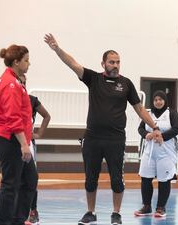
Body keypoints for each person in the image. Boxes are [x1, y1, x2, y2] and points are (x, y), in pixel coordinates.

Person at [44, 33, 162, 225]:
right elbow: (73, 64)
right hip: (92, 138)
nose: (115, 65)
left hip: (115, 139)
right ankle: (90, 212)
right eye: (111, 62)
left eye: (118, 62)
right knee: (91, 179)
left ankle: (116, 213)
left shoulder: (126, 84)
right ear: (103, 64)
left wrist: (155, 126)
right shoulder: (93, 79)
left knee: (117, 179)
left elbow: (139, 108)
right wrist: (57, 49)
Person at [0, 44, 38, 225]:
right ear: (16, 62)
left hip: (14, 138)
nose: (29, 63)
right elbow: (12, 117)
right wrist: (24, 144)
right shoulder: (10, 84)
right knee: (10, 184)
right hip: (9, 138)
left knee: (29, 179)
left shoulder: (15, 80)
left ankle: (17, 220)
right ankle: (2, 222)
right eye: (26, 60)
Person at [134, 90, 178, 218]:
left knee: (164, 180)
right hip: (149, 152)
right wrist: (146, 134)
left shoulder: (171, 113)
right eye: (155, 100)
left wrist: (163, 136)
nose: (158, 102)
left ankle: (161, 208)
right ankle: (146, 206)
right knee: (145, 178)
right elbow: (140, 128)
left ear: (165, 100)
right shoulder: (148, 113)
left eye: (160, 99)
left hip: (165, 152)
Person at [18, 75, 51, 225]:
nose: (22, 84)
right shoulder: (10, 99)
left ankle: (33, 210)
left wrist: (39, 133)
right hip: (13, 144)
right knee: (16, 179)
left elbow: (46, 116)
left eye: (24, 82)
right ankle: (18, 212)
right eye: (19, 81)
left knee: (31, 178)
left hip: (28, 144)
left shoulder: (32, 100)